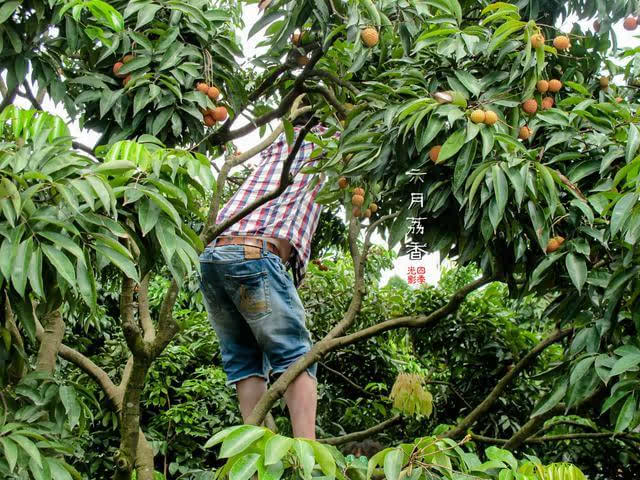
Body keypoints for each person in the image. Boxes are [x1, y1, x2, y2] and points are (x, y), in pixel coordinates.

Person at [198, 116, 328, 439]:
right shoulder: (331, 141)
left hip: (213, 258)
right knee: (296, 357)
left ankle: (253, 457)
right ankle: (306, 456)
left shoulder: (279, 139)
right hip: (252, 254)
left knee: (244, 363)